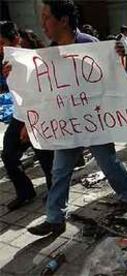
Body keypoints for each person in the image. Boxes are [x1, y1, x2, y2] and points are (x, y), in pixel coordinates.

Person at [2, 0, 127, 236]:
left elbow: (113, 78)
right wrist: (14, 74)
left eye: (46, 17)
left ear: (63, 20)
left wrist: (118, 55)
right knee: (60, 171)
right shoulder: (48, 52)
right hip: (66, 125)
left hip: (93, 122)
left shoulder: (90, 45)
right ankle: (55, 218)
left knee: (108, 163)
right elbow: (39, 90)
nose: (42, 23)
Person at [0, 21, 54, 211]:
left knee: (47, 160)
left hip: (37, 116)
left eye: (1, 42)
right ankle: (25, 192)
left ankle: (55, 197)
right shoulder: (7, 60)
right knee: (8, 155)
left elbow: (40, 94)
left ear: (15, 39)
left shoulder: (29, 61)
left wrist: (30, 124)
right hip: (18, 116)